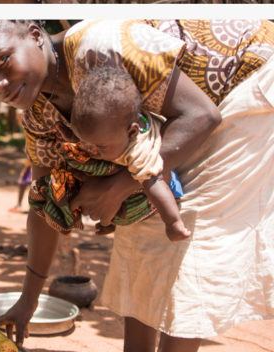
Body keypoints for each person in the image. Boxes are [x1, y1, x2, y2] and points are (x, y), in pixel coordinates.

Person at [0, 18, 274, 351]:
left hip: (247, 77)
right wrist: (28, 300)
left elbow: (202, 116)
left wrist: (117, 187)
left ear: (35, 35)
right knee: (141, 230)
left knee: (190, 231)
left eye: (3, 60)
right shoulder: (38, 115)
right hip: (197, 112)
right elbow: (42, 204)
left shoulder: (100, 48)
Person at [69, 64, 191, 241]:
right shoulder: (117, 126)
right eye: (86, 142)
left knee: (146, 184)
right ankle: (108, 220)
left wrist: (172, 223)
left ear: (132, 132)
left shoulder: (138, 153)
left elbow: (155, 183)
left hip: (168, 189)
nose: (91, 150)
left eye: (99, 147)